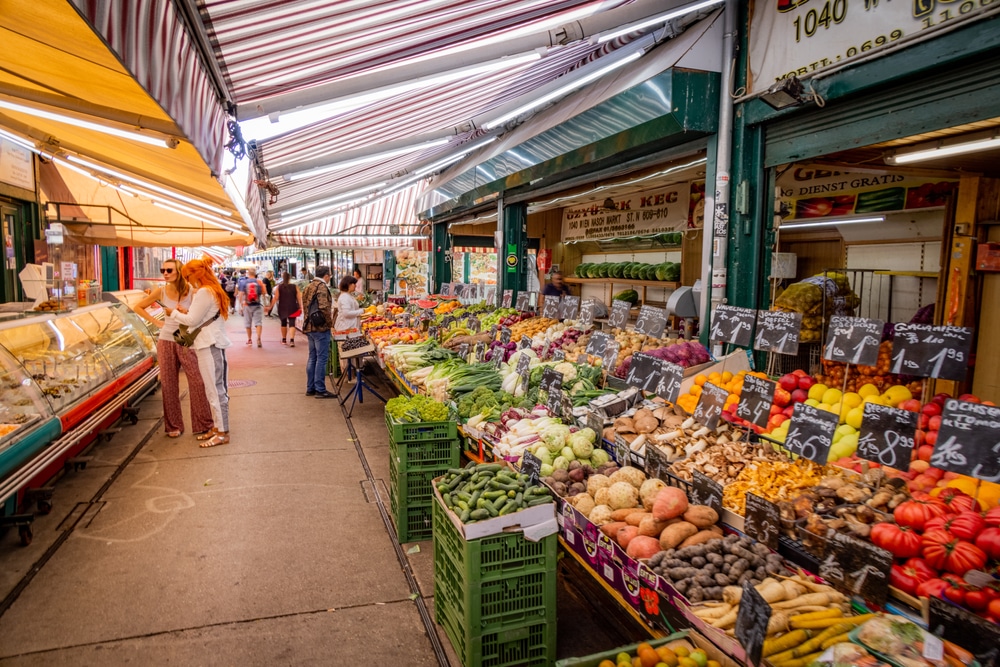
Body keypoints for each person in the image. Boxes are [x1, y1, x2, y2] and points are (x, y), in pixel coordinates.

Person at [132, 259, 214, 438]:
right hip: (166, 339)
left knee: (198, 381)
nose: (165, 273)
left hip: (186, 341)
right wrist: (156, 322)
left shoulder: (192, 292)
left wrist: (185, 314)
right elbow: (138, 307)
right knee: (169, 384)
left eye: (169, 270)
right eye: (163, 270)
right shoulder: (160, 291)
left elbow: (199, 316)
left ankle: (203, 423)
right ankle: (173, 426)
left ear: (179, 271)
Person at [167, 258, 232, 447]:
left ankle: (222, 432)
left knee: (215, 389)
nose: (187, 280)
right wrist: (185, 311)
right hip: (211, 343)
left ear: (197, 273)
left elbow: (192, 320)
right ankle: (218, 427)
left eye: (188, 276)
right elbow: (199, 316)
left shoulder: (204, 291)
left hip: (209, 344)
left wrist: (173, 313)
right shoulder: (212, 290)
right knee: (214, 388)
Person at [301, 265, 335, 398]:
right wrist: (329, 323)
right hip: (319, 328)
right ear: (326, 275)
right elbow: (324, 307)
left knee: (312, 357)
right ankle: (320, 389)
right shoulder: (321, 287)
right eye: (330, 275)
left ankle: (310, 388)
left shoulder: (309, 286)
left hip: (309, 327)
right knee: (321, 358)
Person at [266, 271, 303, 347]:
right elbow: (299, 298)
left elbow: (275, 298)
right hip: (293, 306)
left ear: (283, 278)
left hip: (282, 306)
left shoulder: (279, 287)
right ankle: (292, 340)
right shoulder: (294, 286)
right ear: (289, 278)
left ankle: (284, 339)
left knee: (283, 323)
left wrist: (270, 307)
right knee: (292, 323)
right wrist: (301, 306)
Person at [239, 268, 265, 347]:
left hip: (247, 305)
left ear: (248, 274)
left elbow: (241, 294)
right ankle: (259, 338)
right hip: (257, 305)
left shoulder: (244, 282)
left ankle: (249, 340)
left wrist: (241, 305)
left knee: (248, 323)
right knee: (258, 322)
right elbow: (264, 293)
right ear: (255, 274)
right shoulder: (259, 282)